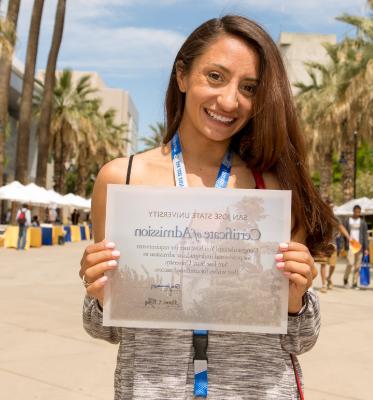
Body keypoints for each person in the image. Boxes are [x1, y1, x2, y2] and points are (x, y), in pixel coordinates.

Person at [79, 16, 336, 399]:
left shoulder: (274, 187)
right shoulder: (122, 179)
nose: (230, 101)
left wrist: (297, 301)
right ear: (182, 76)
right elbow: (109, 329)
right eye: (215, 76)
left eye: (248, 87)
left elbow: (300, 339)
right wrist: (100, 294)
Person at [343, 205, 369, 289]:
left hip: (359, 246)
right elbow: (343, 234)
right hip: (350, 246)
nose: (357, 213)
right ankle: (346, 279)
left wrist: (366, 248)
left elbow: (365, 235)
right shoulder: (347, 221)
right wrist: (342, 245)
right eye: (356, 212)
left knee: (357, 266)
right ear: (353, 211)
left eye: (359, 212)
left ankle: (354, 283)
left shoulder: (363, 222)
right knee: (350, 263)